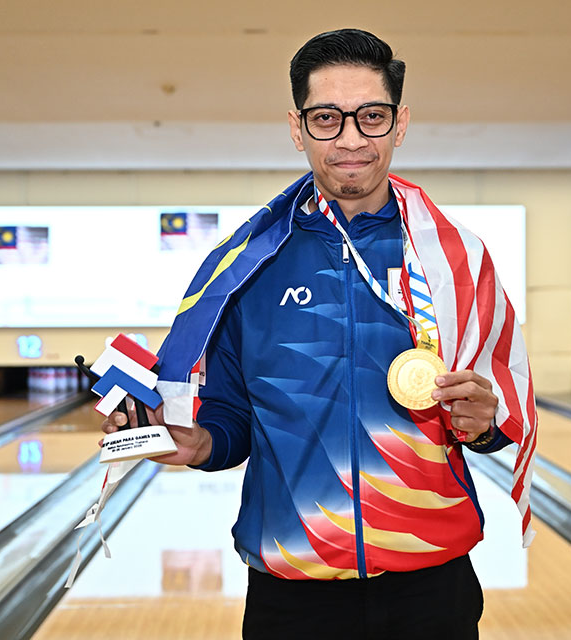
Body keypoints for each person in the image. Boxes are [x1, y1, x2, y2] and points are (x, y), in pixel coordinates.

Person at [102, 28, 537, 640]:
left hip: (431, 586)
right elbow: (232, 421)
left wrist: (484, 422)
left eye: (372, 116)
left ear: (400, 123)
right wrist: (196, 444)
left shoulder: (454, 259)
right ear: (297, 127)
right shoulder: (250, 267)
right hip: (292, 593)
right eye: (327, 118)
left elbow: (495, 418)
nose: (351, 138)